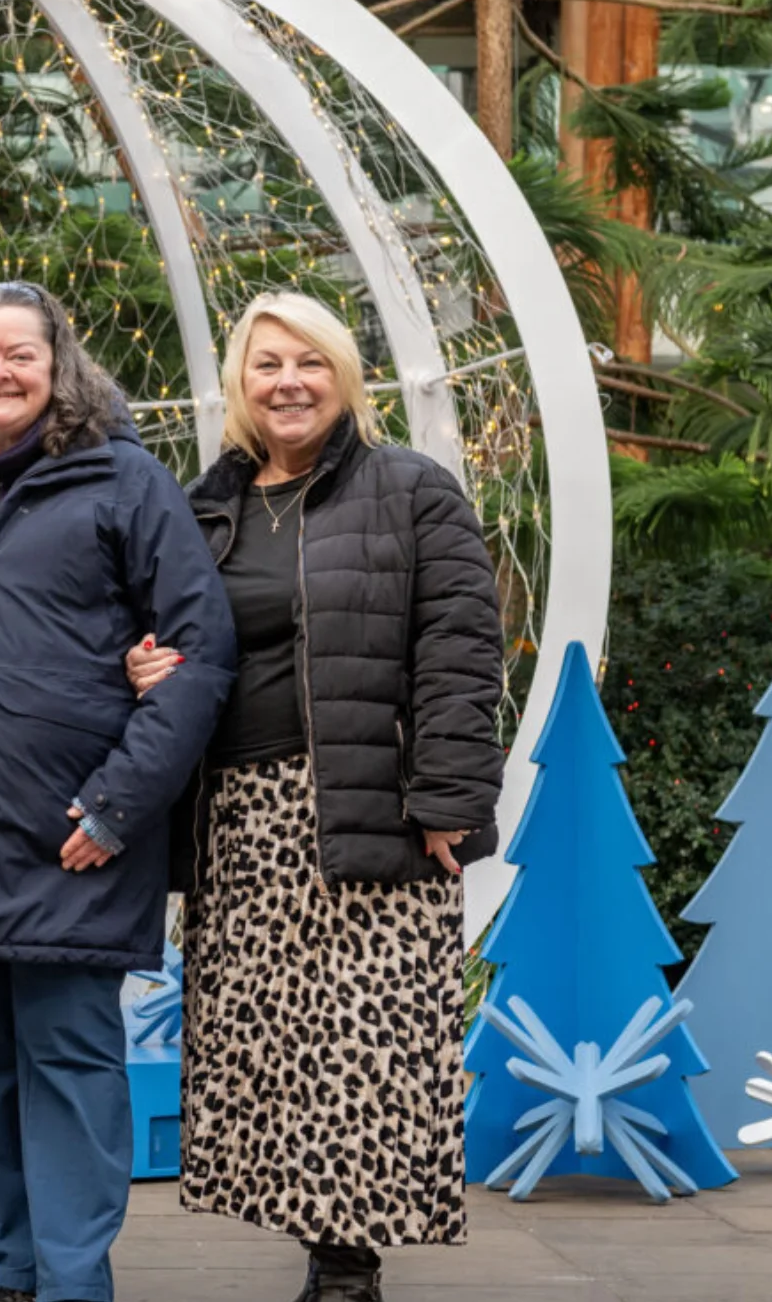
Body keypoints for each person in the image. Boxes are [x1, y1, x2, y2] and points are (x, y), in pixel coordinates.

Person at [126, 292, 504, 1302]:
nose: (285, 381)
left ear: (343, 377)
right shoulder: (204, 506)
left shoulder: (409, 491)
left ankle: (347, 1268)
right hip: (239, 820)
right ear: (239, 389)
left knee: (362, 1041)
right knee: (273, 1047)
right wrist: (145, 665)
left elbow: (460, 657)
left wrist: (449, 799)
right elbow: (172, 636)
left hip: (369, 806)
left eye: (307, 362)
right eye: (264, 366)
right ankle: (318, 1243)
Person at [0, 282, 237, 1302]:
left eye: (17, 355)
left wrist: (116, 804)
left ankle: (75, 1282)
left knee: (69, 1063)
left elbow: (199, 655)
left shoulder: (122, 482)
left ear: (58, 365)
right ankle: (18, 1274)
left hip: (73, 830)